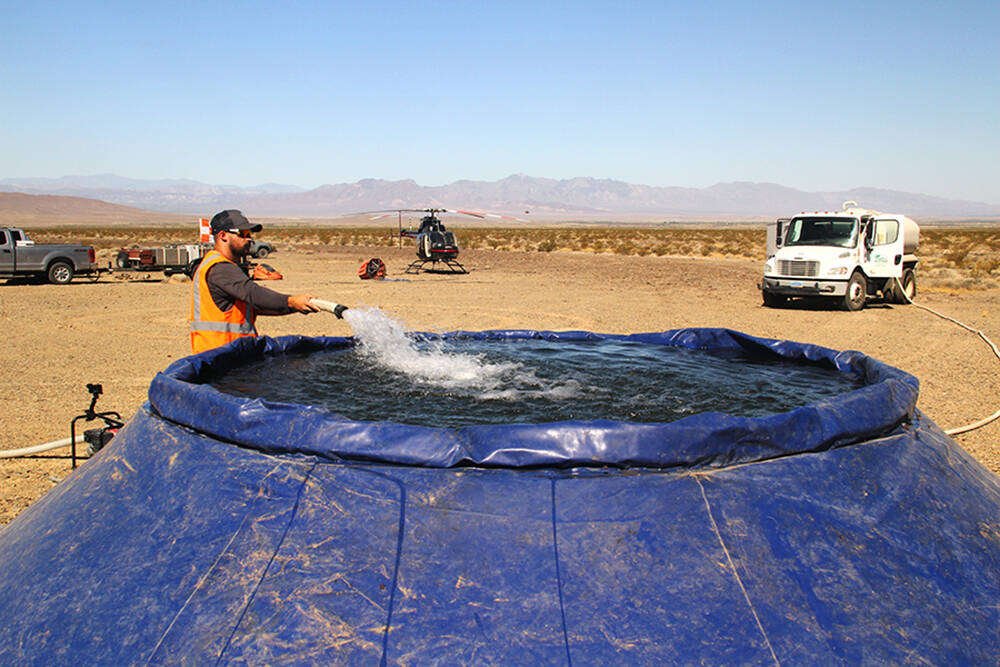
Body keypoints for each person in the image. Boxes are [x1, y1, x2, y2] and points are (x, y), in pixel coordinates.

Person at [189, 210, 318, 353]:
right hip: (218, 358)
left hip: (231, 355)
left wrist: (297, 306)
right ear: (223, 235)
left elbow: (252, 306)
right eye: (243, 234)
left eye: (250, 235)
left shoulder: (226, 266)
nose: (249, 239)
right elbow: (254, 294)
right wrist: (292, 301)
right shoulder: (220, 268)